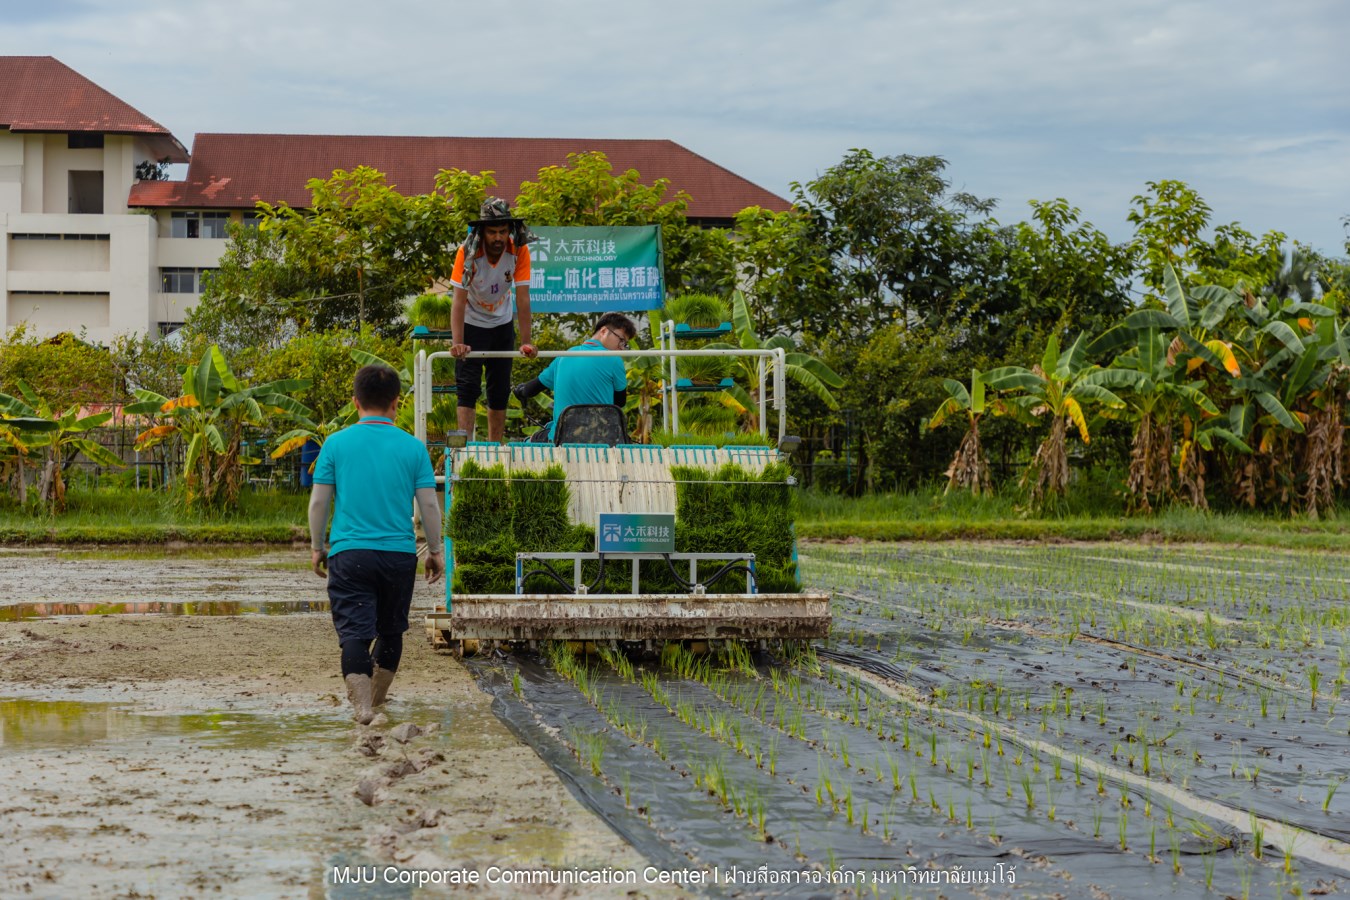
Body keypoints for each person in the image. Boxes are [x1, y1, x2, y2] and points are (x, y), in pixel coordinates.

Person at [308, 364, 443, 725]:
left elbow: (319, 503)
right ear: (396, 403)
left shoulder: (335, 444)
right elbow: (429, 505)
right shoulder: (413, 448)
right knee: (391, 629)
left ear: (356, 402)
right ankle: (378, 704)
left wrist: (318, 546)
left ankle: (363, 709)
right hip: (399, 556)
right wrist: (435, 551)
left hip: (350, 554)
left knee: (354, 632)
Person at [448, 197, 538, 443]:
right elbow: (457, 300)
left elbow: (522, 297)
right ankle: (463, 448)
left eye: (502, 231)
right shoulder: (468, 253)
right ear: (482, 232)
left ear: (509, 231)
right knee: (467, 386)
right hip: (471, 321)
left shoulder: (519, 250)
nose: (498, 237)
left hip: (501, 323)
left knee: (498, 389)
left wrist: (527, 341)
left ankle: (495, 446)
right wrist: (458, 342)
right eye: (492, 232)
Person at [514, 313, 636, 441]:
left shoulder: (563, 357)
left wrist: (520, 391)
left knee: (533, 439)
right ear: (604, 331)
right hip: (603, 440)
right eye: (621, 340)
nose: (621, 347)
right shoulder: (615, 360)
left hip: (562, 439)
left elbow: (531, 389)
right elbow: (620, 402)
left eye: (625, 344)